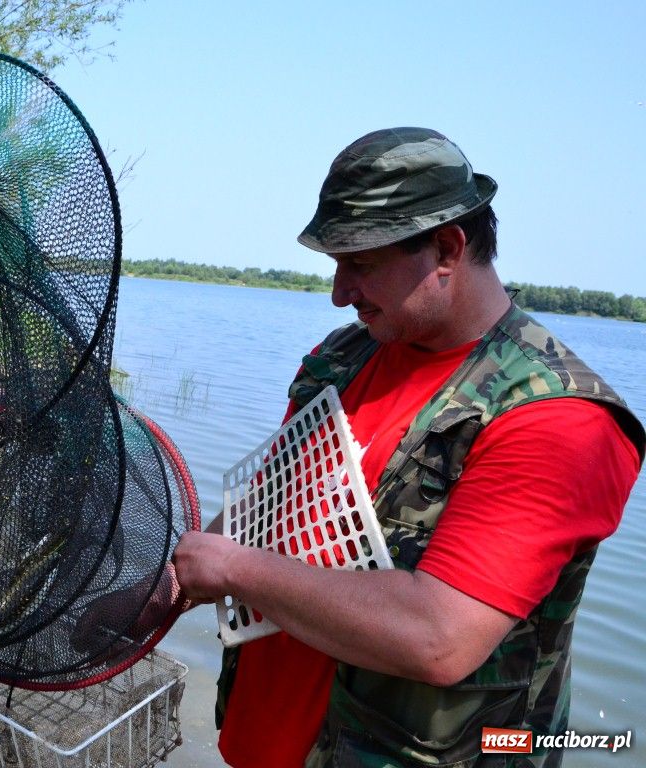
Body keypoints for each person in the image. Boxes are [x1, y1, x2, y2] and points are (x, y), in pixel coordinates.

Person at [172, 127, 645, 767]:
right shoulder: (345, 355)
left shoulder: (558, 417)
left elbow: (438, 636)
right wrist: (178, 579)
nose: (339, 292)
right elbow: (274, 508)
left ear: (447, 247)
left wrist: (232, 569)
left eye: (359, 263)